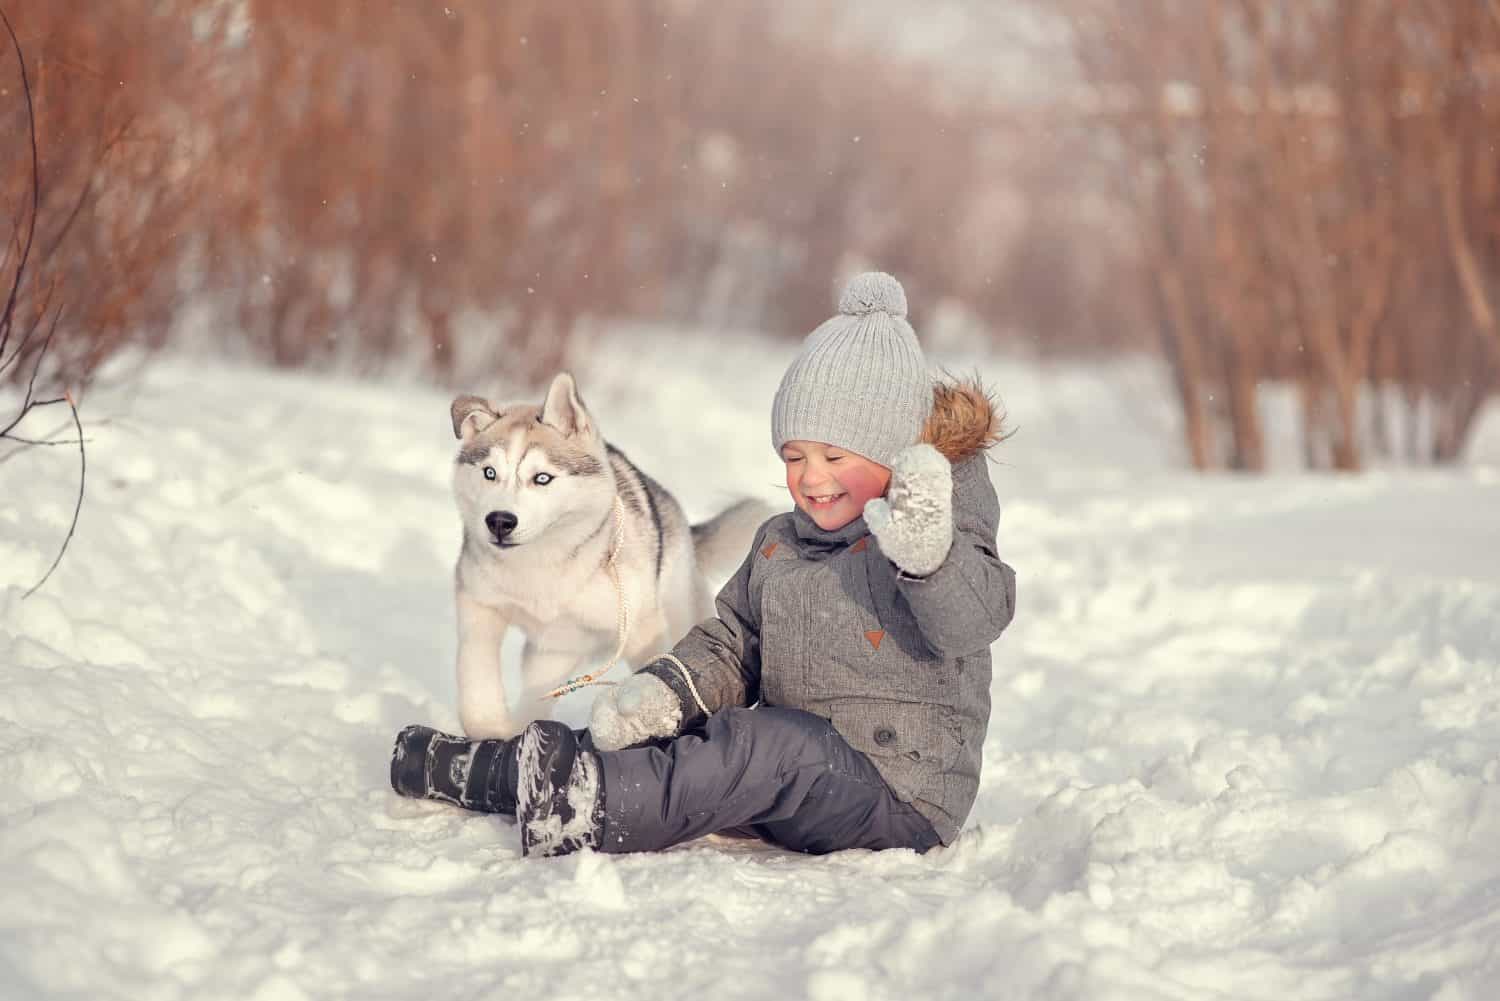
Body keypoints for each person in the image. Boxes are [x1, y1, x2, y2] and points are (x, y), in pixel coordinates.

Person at [390, 271, 1017, 858]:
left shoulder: (938, 533)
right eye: (794, 457)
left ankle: (587, 805)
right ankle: (504, 771)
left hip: (898, 798)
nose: (811, 478)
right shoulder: (781, 542)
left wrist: (929, 560)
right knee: (688, 742)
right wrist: (665, 693)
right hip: (789, 784)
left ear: (894, 453)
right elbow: (729, 645)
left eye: (834, 456)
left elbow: (974, 620)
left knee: (764, 744)